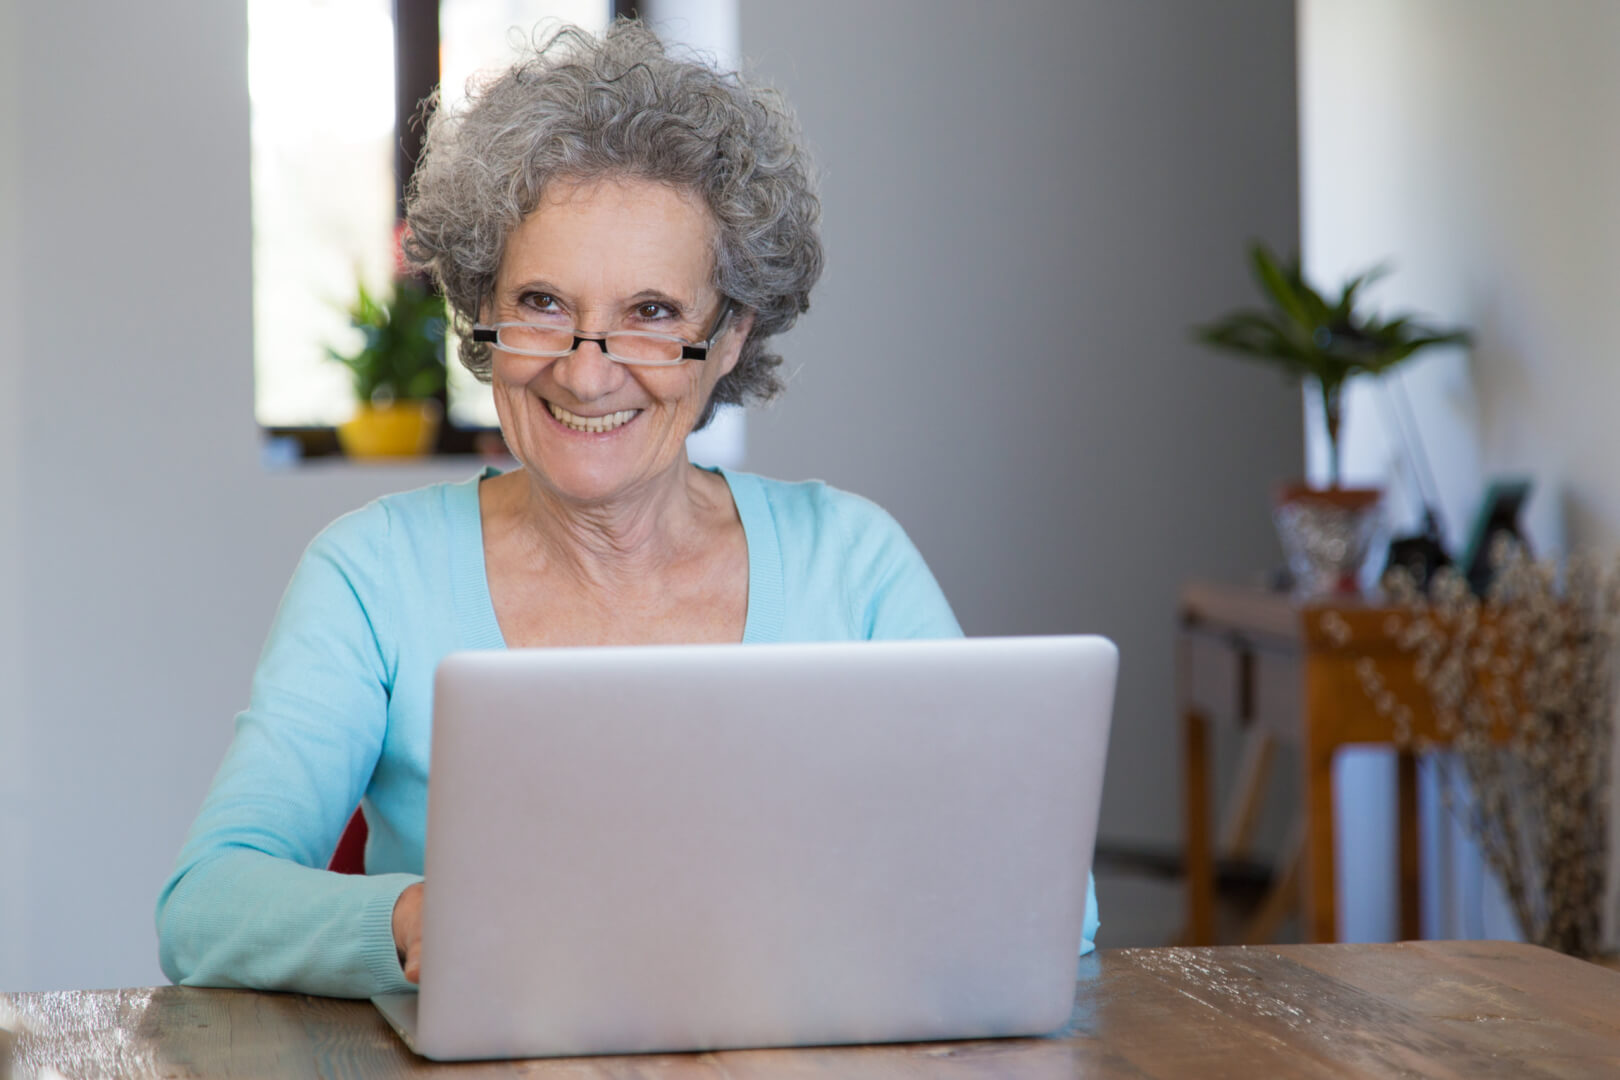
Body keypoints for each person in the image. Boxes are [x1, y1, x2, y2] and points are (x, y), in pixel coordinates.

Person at [156, 20, 1099, 999]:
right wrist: (405, 918)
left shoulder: (851, 563)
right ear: (483, 309)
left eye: (650, 313)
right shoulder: (371, 574)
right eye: (542, 304)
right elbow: (206, 902)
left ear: (729, 334)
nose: (588, 370)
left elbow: (1051, 904)